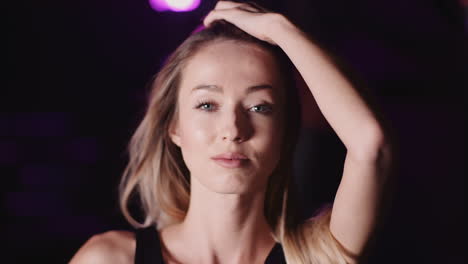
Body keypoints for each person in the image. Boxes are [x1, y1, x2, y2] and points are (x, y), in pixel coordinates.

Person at [70, 1, 393, 263]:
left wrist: (278, 29)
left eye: (259, 107)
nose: (234, 130)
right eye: (208, 105)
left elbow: (369, 143)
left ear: (284, 133)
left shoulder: (311, 258)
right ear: (174, 126)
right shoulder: (111, 258)